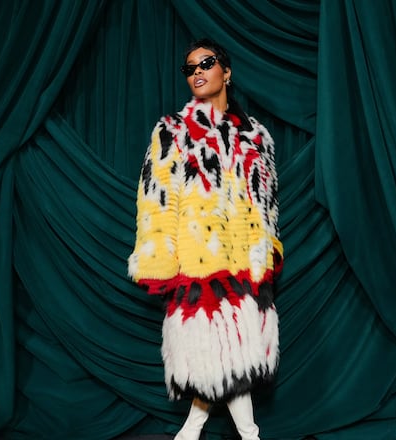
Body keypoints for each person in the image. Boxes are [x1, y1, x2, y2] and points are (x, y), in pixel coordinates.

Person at [127, 38, 283, 440]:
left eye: (206, 63)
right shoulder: (173, 130)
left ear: (225, 72)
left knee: (232, 355)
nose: (196, 72)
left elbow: (266, 202)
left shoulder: (256, 137)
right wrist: (159, 258)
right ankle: (238, 434)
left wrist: (266, 253)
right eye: (190, 68)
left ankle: (197, 432)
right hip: (197, 261)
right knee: (213, 354)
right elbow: (155, 197)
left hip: (245, 263)